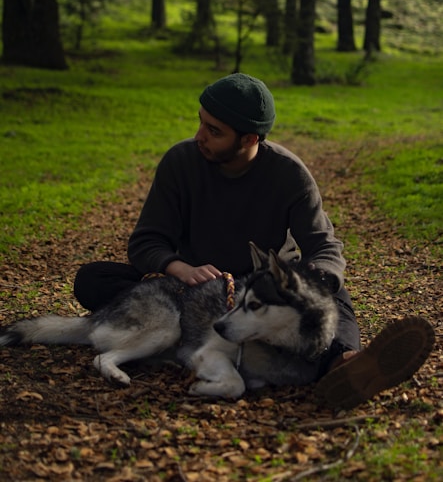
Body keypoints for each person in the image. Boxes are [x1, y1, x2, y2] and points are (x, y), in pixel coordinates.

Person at [74, 73, 434, 410]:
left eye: (214, 131)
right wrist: (179, 267)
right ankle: (171, 338)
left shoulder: (289, 174)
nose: (200, 135)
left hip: (261, 289)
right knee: (93, 279)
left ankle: (346, 364)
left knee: (332, 293)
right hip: (192, 289)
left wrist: (312, 284)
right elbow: (145, 242)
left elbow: (324, 247)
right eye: (200, 122)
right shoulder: (180, 162)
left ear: (249, 139)